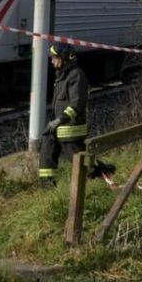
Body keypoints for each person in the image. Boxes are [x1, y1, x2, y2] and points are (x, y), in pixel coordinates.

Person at [38, 43, 114, 189]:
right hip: (57, 128)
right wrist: (55, 123)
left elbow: (76, 104)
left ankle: (103, 175)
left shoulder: (77, 76)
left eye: (54, 57)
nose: (51, 61)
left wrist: (59, 120)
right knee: (46, 157)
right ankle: (48, 189)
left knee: (81, 164)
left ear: (64, 59)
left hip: (70, 130)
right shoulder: (62, 76)